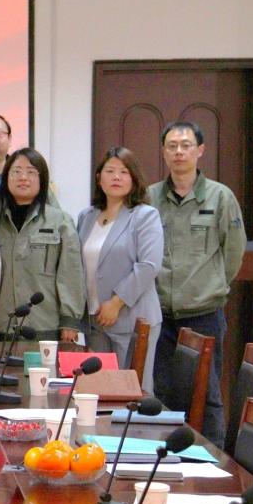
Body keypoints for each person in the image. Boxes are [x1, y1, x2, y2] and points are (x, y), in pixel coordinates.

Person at [149, 121, 246, 448]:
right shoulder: (150, 197)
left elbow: (233, 253)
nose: (179, 151)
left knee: (208, 393)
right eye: (172, 146)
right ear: (163, 152)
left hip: (204, 314)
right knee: (162, 391)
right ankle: (165, 455)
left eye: (186, 145)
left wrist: (210, 287)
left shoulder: (220, 197)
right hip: (161, 315)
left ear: (200, 150)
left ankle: (212, 459)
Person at [76, 147, 163, 390]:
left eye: (124, 172)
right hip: (95, 320)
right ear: (99, 177)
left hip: (133, 319)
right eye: (110, 171)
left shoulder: (145, 216)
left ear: (134, 179)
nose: (116, 177)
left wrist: (116, 302)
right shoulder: (87, 216)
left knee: (131, 391)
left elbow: (149, 266)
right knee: (98, 391)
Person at [0, 148, 85, 342]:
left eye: (31, 172)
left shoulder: (60, 221)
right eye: (16, 171)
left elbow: (71, 273)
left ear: (42, 180)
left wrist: (70, 320)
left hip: (45, 326)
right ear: (6, 178)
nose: (23, 177)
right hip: (2, 327)